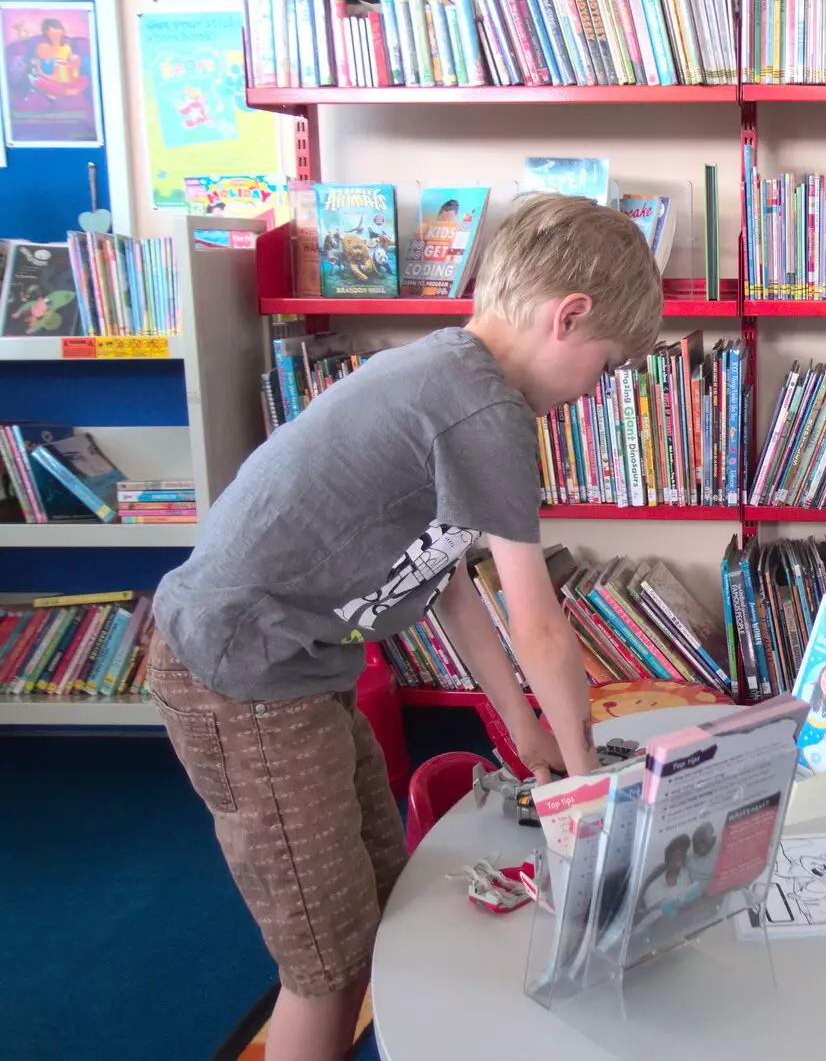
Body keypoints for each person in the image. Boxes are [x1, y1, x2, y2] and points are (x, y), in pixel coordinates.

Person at [147, 193, 662, 1061]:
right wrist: (587, 793)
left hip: (302, 674)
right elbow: (537, 624)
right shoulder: (482, 407)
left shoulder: (450, 375)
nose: (593, 392)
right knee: (326, 965)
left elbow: (448, 576)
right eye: (606, 365)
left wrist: (527, 729)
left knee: (383, 905)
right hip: (241, 677)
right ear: (566, 317)